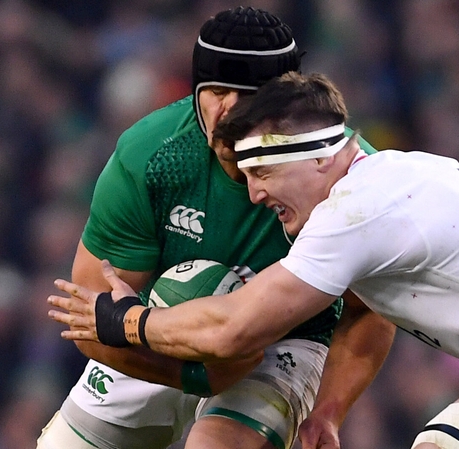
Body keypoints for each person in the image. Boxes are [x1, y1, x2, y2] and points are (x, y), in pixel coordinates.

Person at [49, 72, 459, 449]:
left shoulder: (358, 208)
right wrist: (327, 409)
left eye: (264, 168)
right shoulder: (397, 180)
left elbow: (235, 327)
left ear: (322, 155)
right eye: (243, 174)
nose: (254, 192)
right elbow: (366, 316)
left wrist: (127, 321)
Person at [36, 7, 378, 449]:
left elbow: (369, 308)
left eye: (248, 96)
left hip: (283, 342)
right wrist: (191, 374)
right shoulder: (149, 155)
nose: (226, 112)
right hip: (154, 333)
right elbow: (90, 316)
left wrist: (329, 413)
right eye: (215, 91)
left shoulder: (345, 174)